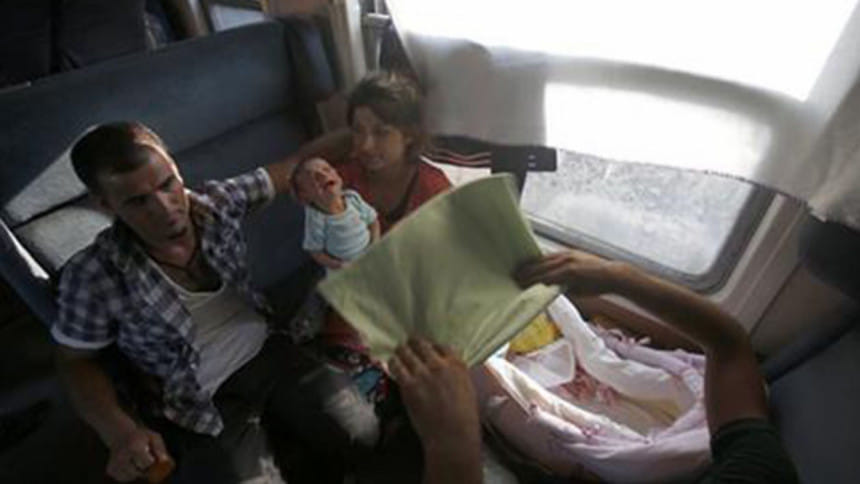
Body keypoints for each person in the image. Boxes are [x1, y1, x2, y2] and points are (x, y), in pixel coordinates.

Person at [52, 122, 365, 483]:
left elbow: (297, 164)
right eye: (138, 201)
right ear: (106, 205)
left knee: (361, 437)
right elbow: (74, 361)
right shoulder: (92, 275)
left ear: (175, 168)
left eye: (167, 184)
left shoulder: (216, 202)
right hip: (196, 400)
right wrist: (119, 432)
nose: (165, 208)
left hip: (271, 351)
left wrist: (372, 130)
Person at [393, 249, 800, 484]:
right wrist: (620, 278)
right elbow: (729, 347)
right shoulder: (758, 470)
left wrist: (453, 442)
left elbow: (729, 346)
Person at [292, 157, 380, 271]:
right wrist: (338, 265)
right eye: (315, 177)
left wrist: (375, 244)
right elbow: (315, 251)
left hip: (370, 253)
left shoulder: (352, 198)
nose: (323, 176)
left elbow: (373, 221)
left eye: (327, 169)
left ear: (338, 176)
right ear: (305, 196)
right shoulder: (316, 219)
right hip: (345, 268)